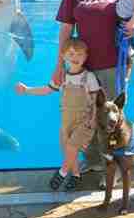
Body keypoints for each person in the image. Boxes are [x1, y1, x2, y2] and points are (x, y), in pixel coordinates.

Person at [52, 0, 125, 174]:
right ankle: (94, 162)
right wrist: (60, 65)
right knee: (86, 118)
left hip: (113, 65)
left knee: (111, 120)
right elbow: (65, 29)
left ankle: (111, 166)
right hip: (82, 69)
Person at [15, 38, 100, 191]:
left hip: (84, 122)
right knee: (68, 149)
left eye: (80, 54)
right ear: (63, 56)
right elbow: (47, 90)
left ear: (86, 57)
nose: (76, 57)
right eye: (72, 54)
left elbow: (95, 101)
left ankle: (62, 172)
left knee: (73, 146)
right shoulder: (62, 77)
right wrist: (27, 90)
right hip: (66, 122)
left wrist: (93, 119)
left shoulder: (89, 77)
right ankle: (75, 175)